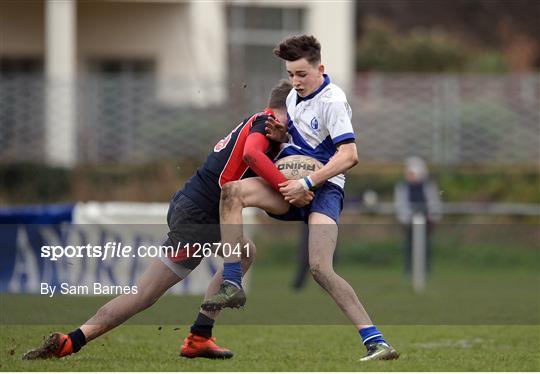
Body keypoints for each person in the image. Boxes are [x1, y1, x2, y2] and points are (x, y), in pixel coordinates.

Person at [22, 80, 313, 360]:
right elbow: (251, 155)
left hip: (198, 209)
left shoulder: (263, 124)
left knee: (245, 252)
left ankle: (199, 336)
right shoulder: (264, 125)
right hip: (197, 216)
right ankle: (72, 340)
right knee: (145, 294)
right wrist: (287, 186)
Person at [200, 35, 399, 361]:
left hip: (324, 190)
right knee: (232, 192)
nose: (295, 81)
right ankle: (232, 281)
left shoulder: (332, 101)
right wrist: (284, 137)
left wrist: (307, 181)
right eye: (291, 74)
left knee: (320, 268)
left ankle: (376, 341)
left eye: (302, 74)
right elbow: (303, 142)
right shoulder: (293, 97)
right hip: (291, 186)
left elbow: (349, 154)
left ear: (320, 68)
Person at [394, 156, 442, 276]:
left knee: (425, 247)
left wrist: (433, 216)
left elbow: (433, 202)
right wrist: (405, 218)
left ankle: (425, 270)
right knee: (409, 247)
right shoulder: (403, 186)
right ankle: (409, 271)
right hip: (410, 221)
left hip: (426, 221)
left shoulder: (428, 186)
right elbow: (400, 204)